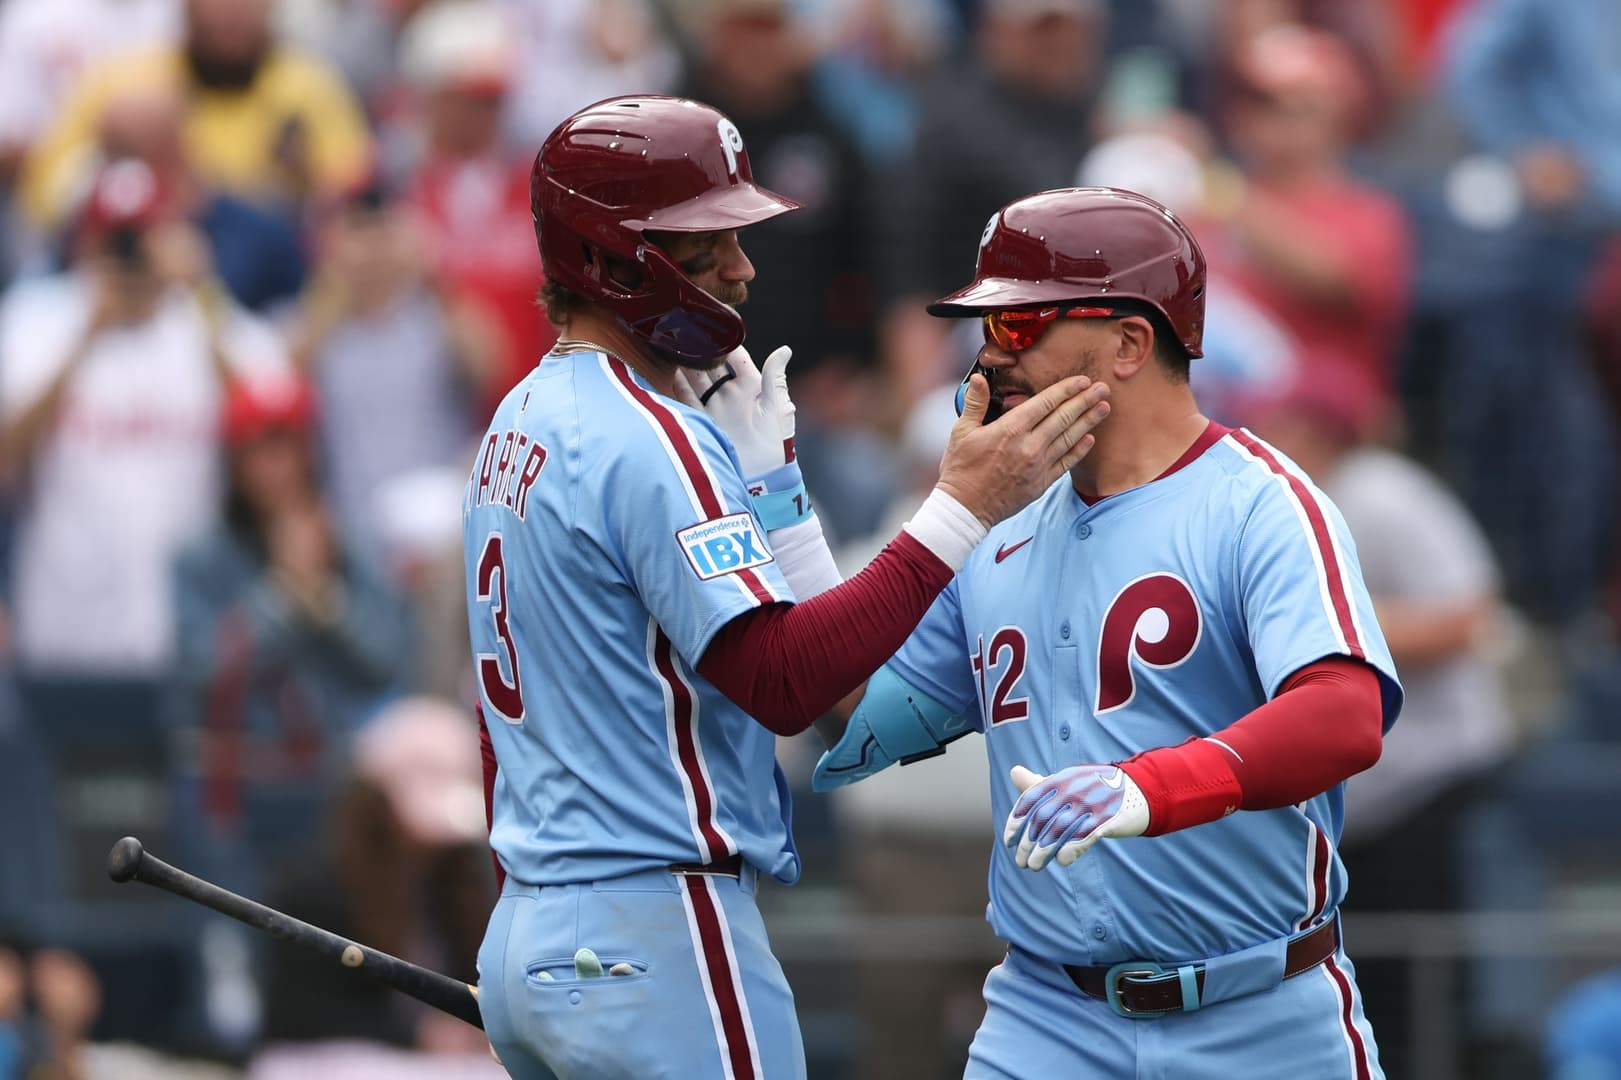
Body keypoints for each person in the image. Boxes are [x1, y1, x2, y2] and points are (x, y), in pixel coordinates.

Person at [466, 95, 1111, 1079]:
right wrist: (962, 505)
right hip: (654, 922)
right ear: (611, 254)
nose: (741, 269)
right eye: (705, 243)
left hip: (538, 925)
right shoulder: (653, 434)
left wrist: (774, 502)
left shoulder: (518, 417)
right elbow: (788, 685)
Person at [810, 187, 1403, 1079]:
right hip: (1045, 1016)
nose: (988, 356)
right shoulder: (993, 521)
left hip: (1259, 1012)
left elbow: (1345, 713)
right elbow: (852, 714)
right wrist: (787, 527)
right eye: (985, 327)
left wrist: (1150, 787)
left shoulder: (1258, 502)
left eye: (1019, 326)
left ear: (1130, 342)